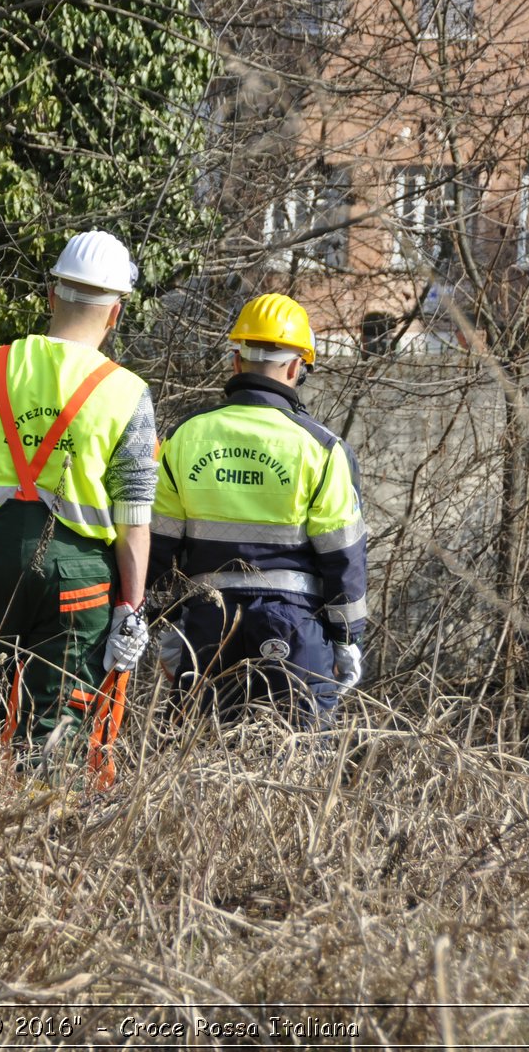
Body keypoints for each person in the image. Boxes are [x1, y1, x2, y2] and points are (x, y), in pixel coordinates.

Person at [0, 231, 155, 781]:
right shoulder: (126, 390)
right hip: (79, 577)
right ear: (115, 314)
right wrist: (130, 608)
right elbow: (134, 521)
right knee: (57, 728)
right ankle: (39, 843)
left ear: (51, 295)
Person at [147, 293, 366, 730]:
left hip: (207, 628)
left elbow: (157, 547)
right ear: (296, 367)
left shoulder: (185, 437)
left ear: (235, 360)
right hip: (296, 635)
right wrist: (347, 640)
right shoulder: (322, 450)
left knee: (200, 769)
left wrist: (165, 625)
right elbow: (343, 556)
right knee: (293, 772)